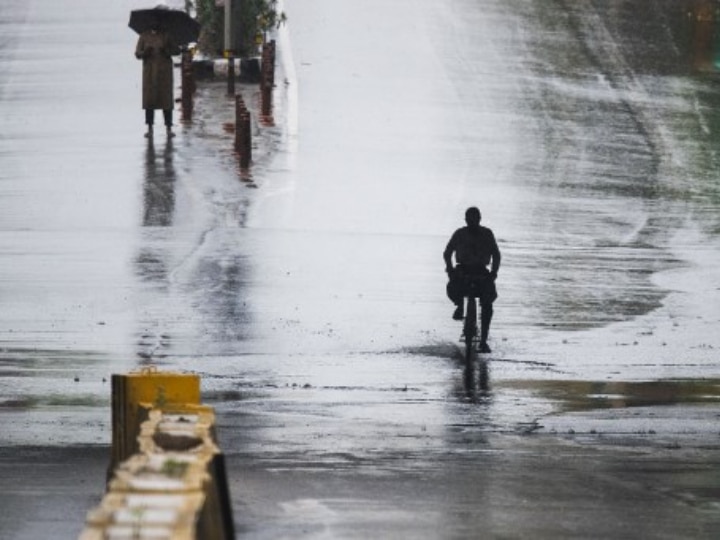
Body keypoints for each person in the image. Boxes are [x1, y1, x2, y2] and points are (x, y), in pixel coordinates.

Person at [443, 207, 501, 353]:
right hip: (462, 270)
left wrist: (494, 272)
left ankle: (483, 341)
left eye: (475, 219)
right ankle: (459, 305)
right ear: (466, 220)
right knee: (453, 287)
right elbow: (447, 252)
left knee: (487, 303)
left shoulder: (487, 234)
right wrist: (450, 269)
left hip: (481, 271)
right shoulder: (459, 233)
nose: (472, 222)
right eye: (470, 219)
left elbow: (496, 254)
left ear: (480, 219)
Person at [135, 20, 180, 138]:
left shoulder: (167, 35)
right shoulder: (144, 36)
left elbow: (176, 50)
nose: (155, 24)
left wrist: (166, 51)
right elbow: (137, 53)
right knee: (149, 101)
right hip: (149, 73)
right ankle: (149, 128)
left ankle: (169, 127)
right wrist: (145, 52)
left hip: (164, 73)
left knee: (166, 100)